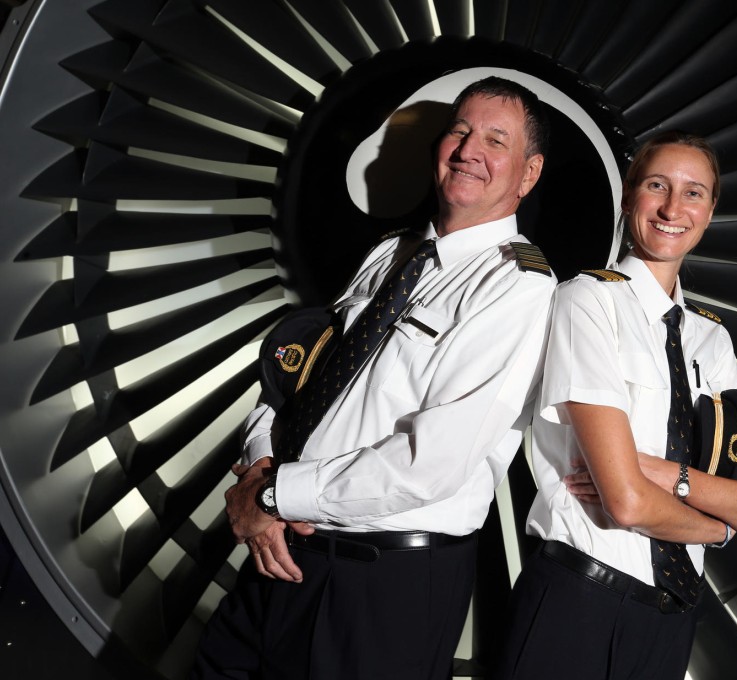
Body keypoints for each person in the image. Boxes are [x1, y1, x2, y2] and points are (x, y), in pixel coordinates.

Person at [191, 76, 555, 680]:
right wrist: (261, 465)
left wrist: (276, 493)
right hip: (277, 549)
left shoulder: (518, 289)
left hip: (381, 585)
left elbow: (431, 464)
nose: (468, 150)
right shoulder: (391, 254)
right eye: (459, 131)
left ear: (528, 173)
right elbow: (299, 378)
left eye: (496, 140)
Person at [493, 131, 737, 679]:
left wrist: (659, 472)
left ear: (711, 210)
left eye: (694, 193)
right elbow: (626, 503)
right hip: (579, 600)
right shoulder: (587, 301)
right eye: (658, 186)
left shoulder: (711, 339)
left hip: (670, 617)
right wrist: (722, 526)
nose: (674, 208)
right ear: (629, 195)